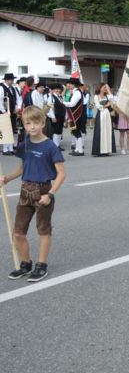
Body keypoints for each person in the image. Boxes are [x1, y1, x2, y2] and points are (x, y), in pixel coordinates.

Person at [0, 106, 66, 282]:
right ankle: (26, 263)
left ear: (43, 123)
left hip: (43, 191)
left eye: (36, 123)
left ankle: (41, 265)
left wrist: (50, 194)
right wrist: (6, 179)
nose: (32, 127)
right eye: (28, 123)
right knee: (18, 233)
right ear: (24, 125)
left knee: (43, 230)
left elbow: (61, 174)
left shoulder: (50, 146)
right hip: (25, 190)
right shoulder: (24, 145)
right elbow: (21, 169)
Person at [92, 83, 116, 156]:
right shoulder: (96, 96)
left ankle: (107, 150)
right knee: (100, 132)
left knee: (108, 131)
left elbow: (113, 101)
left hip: (107, 115)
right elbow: (98, 106)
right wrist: (106, 105)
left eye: (106, 87)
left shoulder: (107, 96)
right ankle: (99, 151)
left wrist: (109, 91)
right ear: (100, 88)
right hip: (101, 114)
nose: (105, 89)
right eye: (104, 87)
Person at [0, 73, 21, 155]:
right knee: (5, 131)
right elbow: (0, 101)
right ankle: (5, 149)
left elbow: (18, 99)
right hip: (4, 112)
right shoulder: (1, 88)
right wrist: (4, 111)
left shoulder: (13, 88)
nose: (12, 81)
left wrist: (17, 108)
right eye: (10, 80)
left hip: (12, 112)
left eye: (12, 80)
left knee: (11, 129)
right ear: (6, 80)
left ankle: (11, 148)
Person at [64, 78, 86, 156]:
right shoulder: (74, 92)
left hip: (77, 115)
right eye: (67, 84)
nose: (68, 85)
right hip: (75, 115)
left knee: (77, 132)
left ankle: (80, 151)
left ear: (73, 84)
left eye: (69, 84)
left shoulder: (77, 92)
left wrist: (63, 103)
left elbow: (72, 104)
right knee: (75, 132)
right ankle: (77, 149)